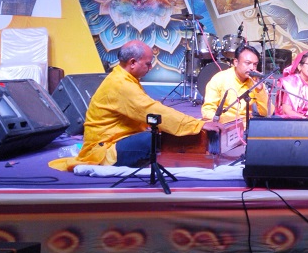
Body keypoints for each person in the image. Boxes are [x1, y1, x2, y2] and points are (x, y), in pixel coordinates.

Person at [49, 40, 220, 171]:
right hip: (105, 150)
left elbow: (146, 110)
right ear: (132, 63)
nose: (150, 67)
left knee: (159, 130)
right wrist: (197, 124)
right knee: (154, 137)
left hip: (119, 140)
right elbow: (152, 111)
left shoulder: (123, 78)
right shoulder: (120, 84)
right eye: (147, 63)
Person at [201, 43, 269, 123]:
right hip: (225, 126)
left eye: (255, 64)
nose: (252, 68)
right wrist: (228, 122)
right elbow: (207, 111)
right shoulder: (219, 79)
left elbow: (265, 113)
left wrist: (260, 90)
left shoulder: (255, 82)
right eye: (247, 63)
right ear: (236, 62)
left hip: (248, 126)